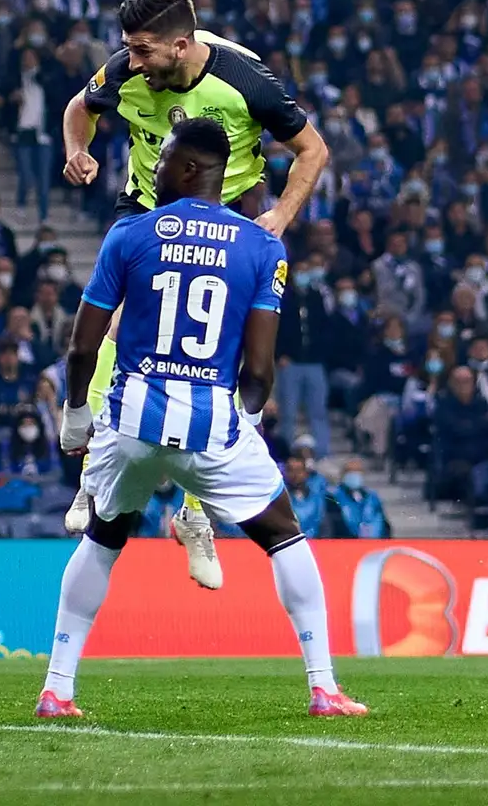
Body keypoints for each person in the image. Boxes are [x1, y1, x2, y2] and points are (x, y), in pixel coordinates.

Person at [37, 118, 366, 720]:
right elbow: (261, 369)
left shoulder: (131, 235)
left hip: (131, 416)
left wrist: (78, 416)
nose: (153, 169)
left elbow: (84, 347)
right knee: (283, 534)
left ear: (189, 169)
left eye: (162, 160)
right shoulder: (263, 245)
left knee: (104, 537)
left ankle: (57, 688)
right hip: (212, 420)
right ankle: (323, 687)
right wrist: (242, 422)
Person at [58, 0, 330, 591]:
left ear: (182, 45)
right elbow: (81, 107)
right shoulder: (125, 72)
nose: (131, 62)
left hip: (229, 214)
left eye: (143, 50)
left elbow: (311, 149)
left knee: (212, 352)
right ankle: (94, 467)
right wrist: (78, 149)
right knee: (119, 321)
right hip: (147, 206)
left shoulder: (245, 82)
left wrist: (280, 218)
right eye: (127, 49)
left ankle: (195, 513)